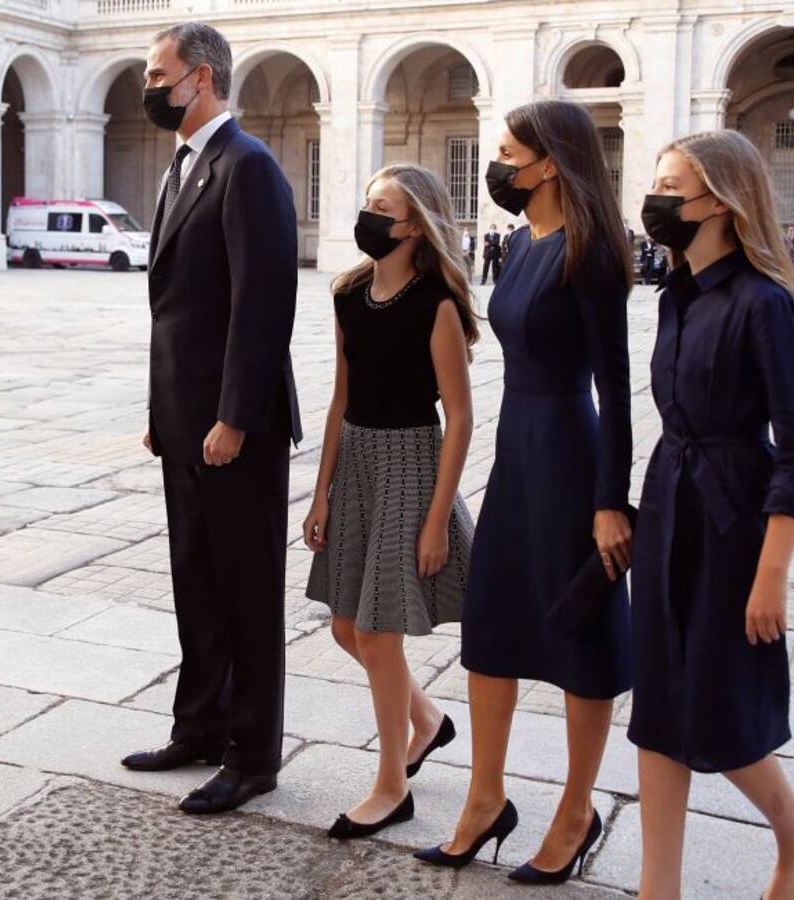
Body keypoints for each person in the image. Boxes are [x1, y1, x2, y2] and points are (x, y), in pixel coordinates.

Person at [416, 100, 633, 883]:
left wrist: (611, 501)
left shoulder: (591, 250)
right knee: (492, 622)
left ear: (551, 162)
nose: (498, 165)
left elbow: (617, 385)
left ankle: (576, 811)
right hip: (516, 448)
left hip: (571, 452)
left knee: (582, 631)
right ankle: (484, 799)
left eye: (509, 153)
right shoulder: (518, 242)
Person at [632, 129, 794, 899]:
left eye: (671, 186)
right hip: (668, 507)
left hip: (731, 523)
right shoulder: (674, 296)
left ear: (720, 200)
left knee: (721, 711)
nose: (655, 199)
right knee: (658, 707)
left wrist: (770, 576)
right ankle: (659, 889)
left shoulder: (764, 304)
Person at [120, 22, 302, 816]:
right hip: (184, 420)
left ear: (201, 77)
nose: (149, 88)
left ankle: (253, 753)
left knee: (246, 589)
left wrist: (233, 416)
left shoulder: (247, 166)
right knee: (195, 578)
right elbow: (176, 309)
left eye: (158, 75)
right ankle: (199, 724)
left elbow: (262, 306)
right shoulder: (184, 166)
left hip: (236, 427)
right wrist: (161, 410)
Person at [304, 164, 478, 840]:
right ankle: (427, 720)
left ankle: (390, 788)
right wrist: (320, 493)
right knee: (347, 627)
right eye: (368, 203)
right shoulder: (348, 293)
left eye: (384, 207)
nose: (369, 217)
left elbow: (459, 418)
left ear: (414, 226)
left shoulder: (436, 304)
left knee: (379, 633)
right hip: (356, 463)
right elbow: (340, 396)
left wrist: (437, 520)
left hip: (410, 465)